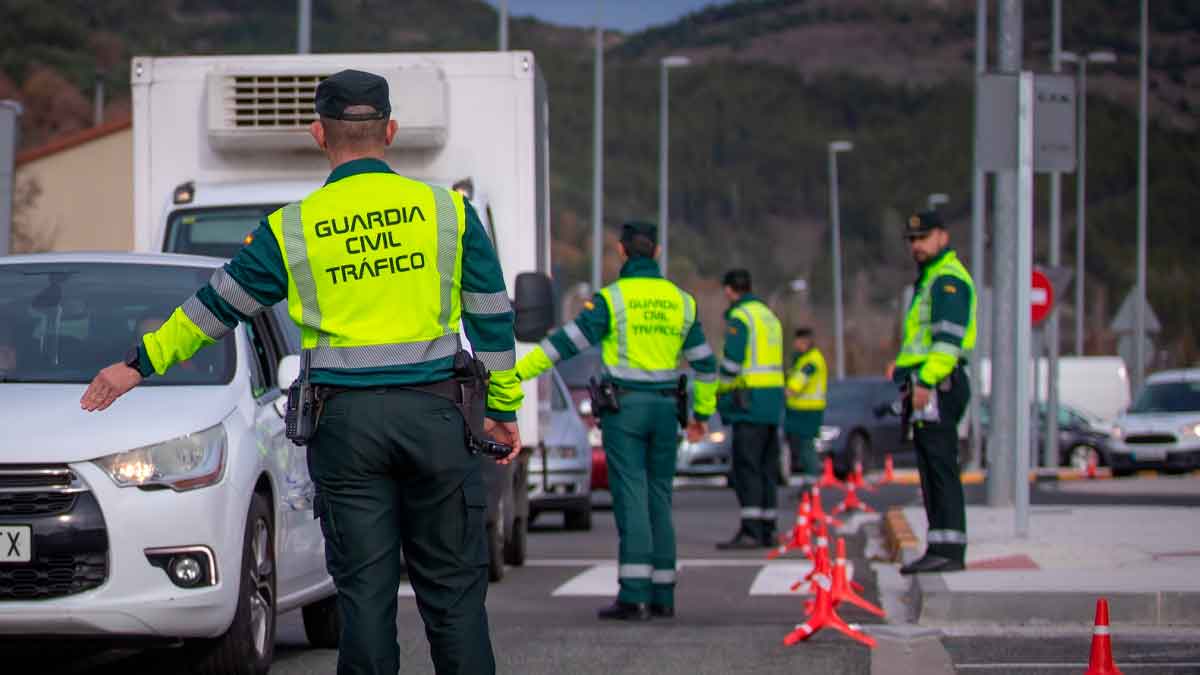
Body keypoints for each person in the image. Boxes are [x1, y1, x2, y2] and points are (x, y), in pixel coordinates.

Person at [81, 69, 523, 675]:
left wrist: (139, 364)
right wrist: (501, 408)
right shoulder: (449, 212)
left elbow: (217, 307)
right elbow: (492, 317)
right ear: (390, 131)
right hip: (437, 420)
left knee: (364, 602)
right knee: (454, 599)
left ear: (319, 134)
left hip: (348, 430)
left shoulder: (293, 228)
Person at [515, 221, 716, 621]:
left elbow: (564, 345)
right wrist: (702, 415)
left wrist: (516, 373)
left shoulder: (612, 300)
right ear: (657, 252)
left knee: (631, 497)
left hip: (625, 411)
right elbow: (706, 366)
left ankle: (635, 594)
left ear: (622, 251)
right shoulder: (682, 302)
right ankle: (663, 594)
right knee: (660, 497)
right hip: (667, 410)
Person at [889, 210, 976, 575]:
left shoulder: (947, 280)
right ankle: (940, 545)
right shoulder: (930, 279)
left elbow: (947, 343)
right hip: (930, 382)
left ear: (943, 236)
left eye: (923, 238)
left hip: (938, 384)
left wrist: (925, 381)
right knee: (931, 468)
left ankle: (949, 550)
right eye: (912, 240)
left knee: (940, 468)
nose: (916, 246)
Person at [715, 269, 785, 550]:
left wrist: (720, 392)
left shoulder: (741, 317)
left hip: (748, 402)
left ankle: (751, 530)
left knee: (747, 468)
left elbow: (732, 364)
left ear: (729, 290)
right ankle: (769, 528)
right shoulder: (769, 316)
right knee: (767, 468)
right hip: (772, 402)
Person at [784, 327, 826, 480]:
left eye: (798, 341)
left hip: (808, 410)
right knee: (801, 448)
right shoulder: (802, 359)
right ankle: (809, 480)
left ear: (805, 341)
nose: (796, 345)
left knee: (806, 447)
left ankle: (812, 482)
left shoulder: (812, 360)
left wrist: (788, 390)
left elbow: (798, 382)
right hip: (799, 410)